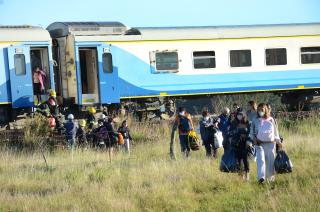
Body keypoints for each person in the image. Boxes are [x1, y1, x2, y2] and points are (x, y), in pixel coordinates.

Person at [249, 103, 282, 183]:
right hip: (259, 144)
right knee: (261, 161)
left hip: (271, 144)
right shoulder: (255, 120)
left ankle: (270, 180)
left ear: (266, 110)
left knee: (270, 162)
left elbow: (275, 132)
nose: (260, 111)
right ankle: (261, 178)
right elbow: (251, 132)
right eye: (259, 110)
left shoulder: (271, 119)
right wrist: (254, 139)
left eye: (262, 110)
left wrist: (279, 142)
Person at [229, 109, 251, 180]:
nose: (239, 116)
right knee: (238, 160)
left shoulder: (248, 123)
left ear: (244, 115)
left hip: (245, 144)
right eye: (238, 114)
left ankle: (247, 175)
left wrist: (246, 137)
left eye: (241, 115)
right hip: (236, 144)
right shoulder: (234, 122)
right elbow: (230, 133)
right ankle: (241, 176)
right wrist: (236, 132)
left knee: (245, 159)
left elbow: (250, 133)